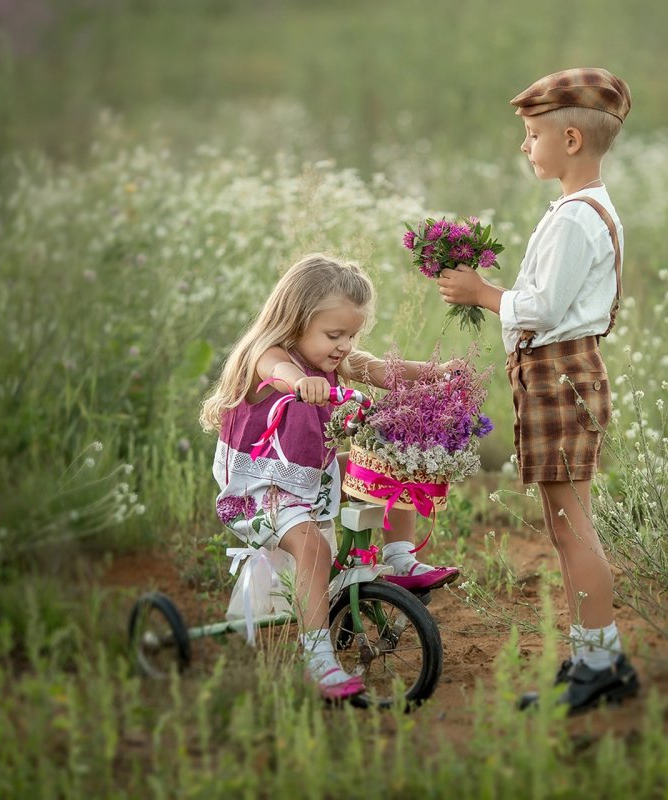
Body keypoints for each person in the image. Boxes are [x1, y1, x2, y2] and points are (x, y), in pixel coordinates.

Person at [438, 67, 639, 714]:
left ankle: (600, 666)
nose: (526, 146)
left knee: (572, 525)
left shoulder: (578, 218)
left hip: (559, 375)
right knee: (565, 522)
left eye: (532, 134)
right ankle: (595, 655)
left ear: (571, 139)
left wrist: (482, 293)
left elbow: (546, 308)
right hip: (555, 374)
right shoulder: (578, 211)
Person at [201, 253, 459, 701]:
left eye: (351, 335)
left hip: (307, 477)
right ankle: (317, 657)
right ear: (295, 319)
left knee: (389, 463)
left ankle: (398, 557)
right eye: (333, 334)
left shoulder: (333, 357)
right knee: (314, 548)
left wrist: (433, 375)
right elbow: (275, 371)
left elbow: (381, 371)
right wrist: (298, 383)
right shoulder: (271, 354)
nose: (343, 345)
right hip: (259, 489)